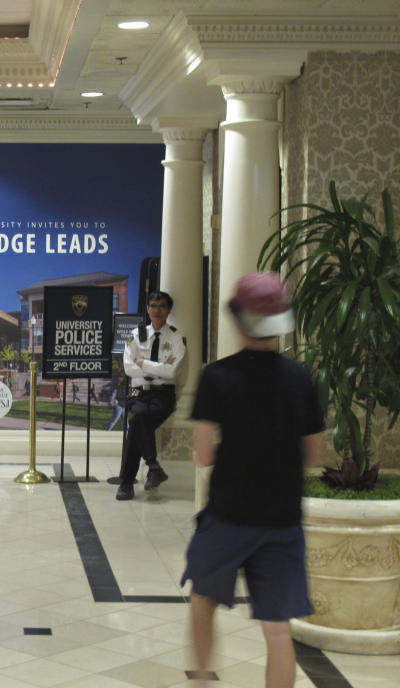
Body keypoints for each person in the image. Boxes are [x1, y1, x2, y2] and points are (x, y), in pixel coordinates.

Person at [181, 272, 323, 688]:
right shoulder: (302, 378)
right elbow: (313, 454)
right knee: (278, 628)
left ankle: (203, 679)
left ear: (239, 321)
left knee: (203, 600)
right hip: (282, 520)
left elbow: (204, 454)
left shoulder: (217, 377)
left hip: (227, 516)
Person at [116, 290, 186, 500]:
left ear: (168, 310)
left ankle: (126, 483)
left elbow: (173, 371)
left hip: (163, 395)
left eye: (162, 306)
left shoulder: (176, 337)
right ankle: (153, 466)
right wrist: (158, 368)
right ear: (147, 309)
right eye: (153, 306)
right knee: (139, 417)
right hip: (138, 393)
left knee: (138, 422)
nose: (157, 310)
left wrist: (143, 364)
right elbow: (129, 368)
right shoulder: (135, 336)